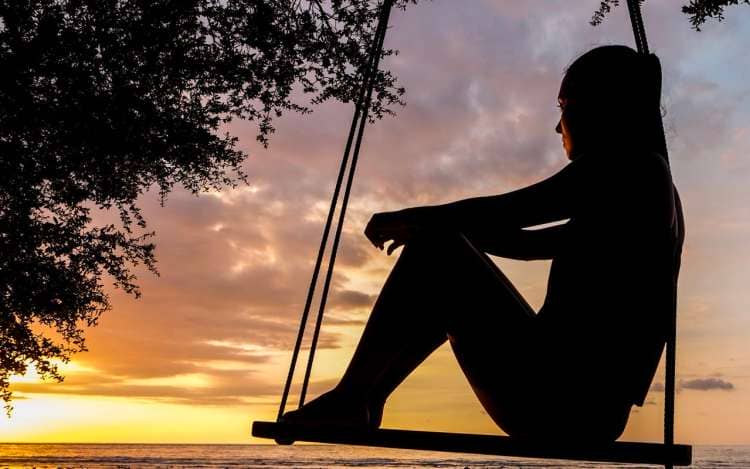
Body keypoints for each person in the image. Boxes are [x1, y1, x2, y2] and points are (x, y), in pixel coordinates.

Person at [282, 45, 685, 442]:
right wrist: (443, 231)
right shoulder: (645, 187)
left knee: (437, 249)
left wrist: (419, 221)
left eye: (563, 106)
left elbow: (517, 209)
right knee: (442, 253)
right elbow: (527, 244)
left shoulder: (629, 167)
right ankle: (364, 401)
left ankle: (353, 398)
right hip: (588, 411)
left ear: (600, 105)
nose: (558, 126)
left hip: (560, 399)